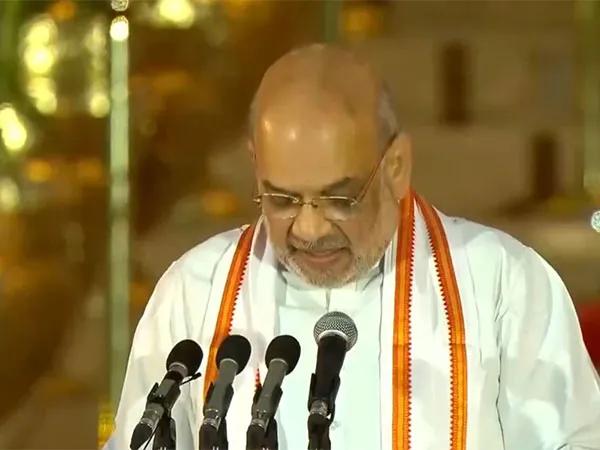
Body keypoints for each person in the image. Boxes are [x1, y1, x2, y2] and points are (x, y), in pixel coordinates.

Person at [105, 44, 600, 450]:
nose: (309, 228)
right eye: (282, 199)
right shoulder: (194, 292)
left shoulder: (502, 286)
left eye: (339, 199)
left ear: (397, 167)